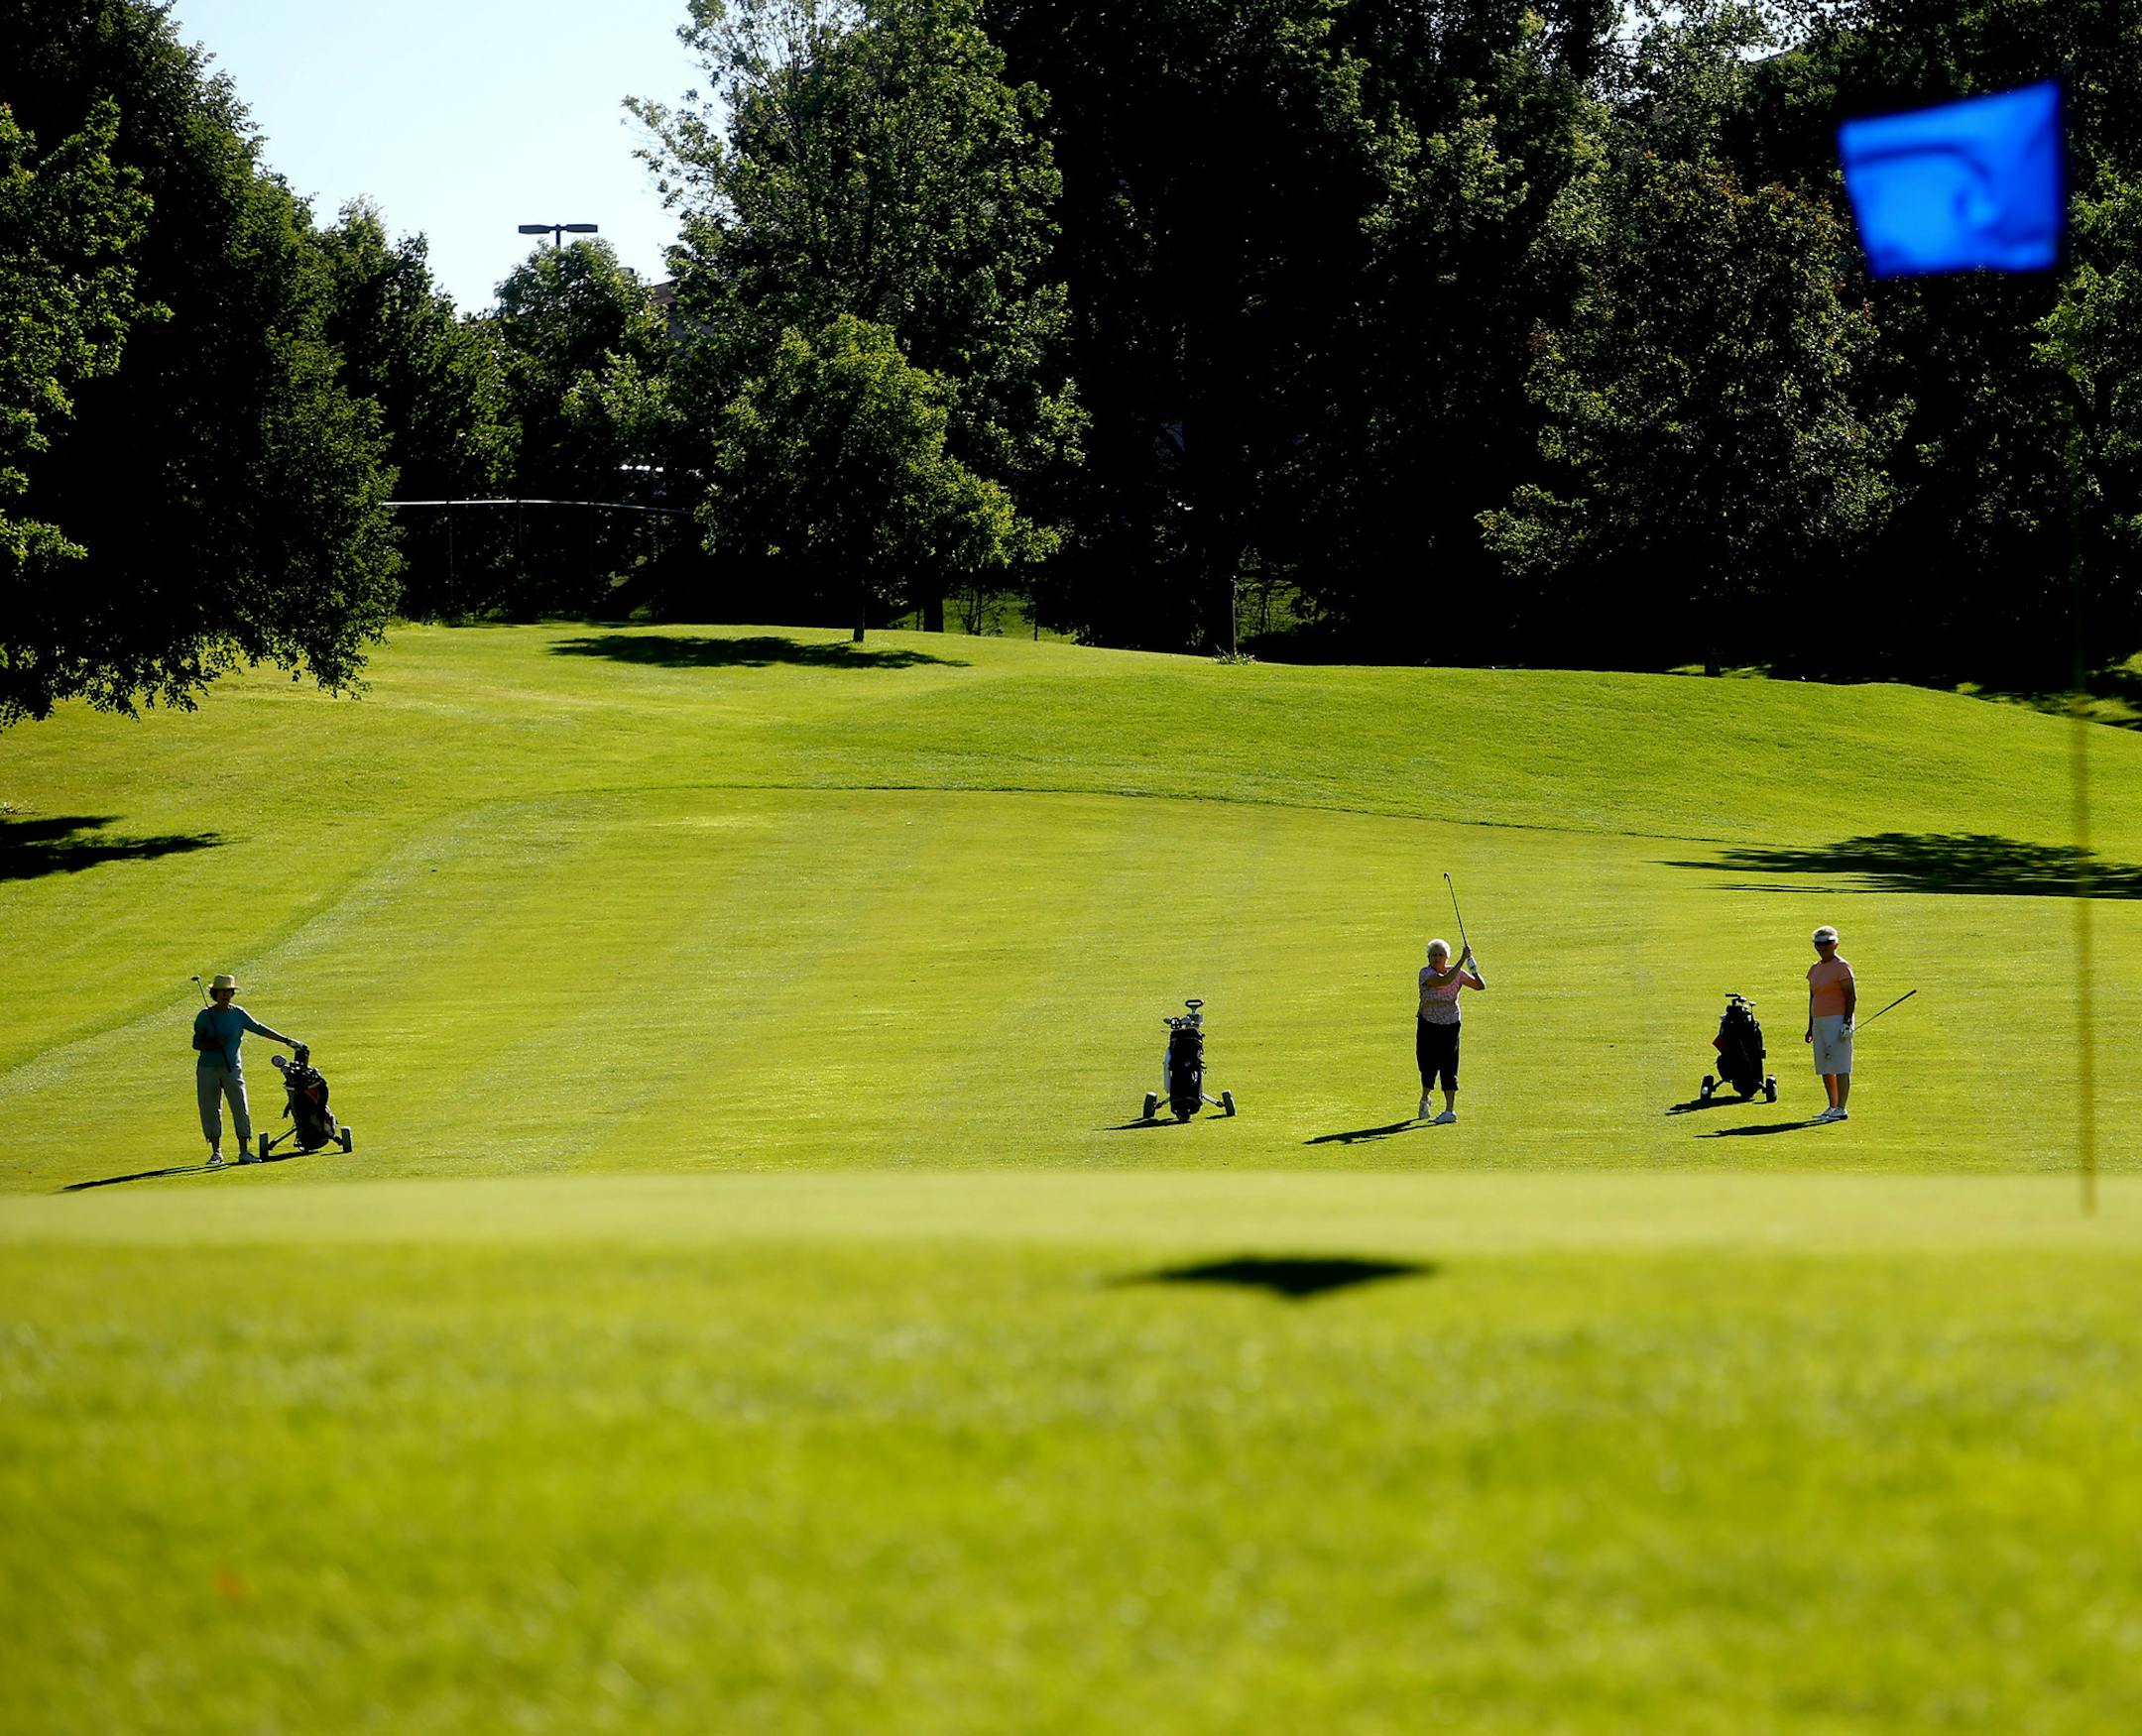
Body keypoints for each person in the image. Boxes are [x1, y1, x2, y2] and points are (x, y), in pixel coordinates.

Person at [192, 974, 300, 1166]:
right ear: (214, 993)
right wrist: (212, 1043)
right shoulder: (205, 1016)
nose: (225, 995)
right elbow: (197, 1044)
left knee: (240, 1107)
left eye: (228, 991)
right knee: (210, 1109)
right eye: (221, 992)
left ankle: (244, 1151)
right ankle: (216, 1153)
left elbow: (259, 1028)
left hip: (232, 1068)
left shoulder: (238, 1014)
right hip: (207, 1069)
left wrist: (285, 1040)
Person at [1416, 938, 1486, 1123]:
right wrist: (1463, 959)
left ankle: (1449, 1111)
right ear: (1428, 957)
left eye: (1441, 955)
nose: (1437, 958)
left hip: (1450, 1025)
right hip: (1428, 1023)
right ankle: (1425, 1098)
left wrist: (1473, 968)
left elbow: (1480, 986)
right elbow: (1443, 981)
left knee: (1449, 1065)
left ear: (1447, 957)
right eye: (1433, 955)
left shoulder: (1458, 973)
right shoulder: (1425, 973)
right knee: (1427, 1064)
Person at [1804, 925, 1856, 1122]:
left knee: (1840, 1064)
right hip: (1819, 1021)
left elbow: (1851, 996)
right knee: (1825, 1064)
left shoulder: (1842, 967)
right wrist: (1810, 1026)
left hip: (1837, 1020)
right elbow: (1813, 998)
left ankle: (1841, 1107)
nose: (1823, 947)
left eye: (1827, 943)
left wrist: (1846, 1022)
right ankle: (1832, 1106)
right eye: (1819, 944)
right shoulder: (1815, 969)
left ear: (1835, 944)